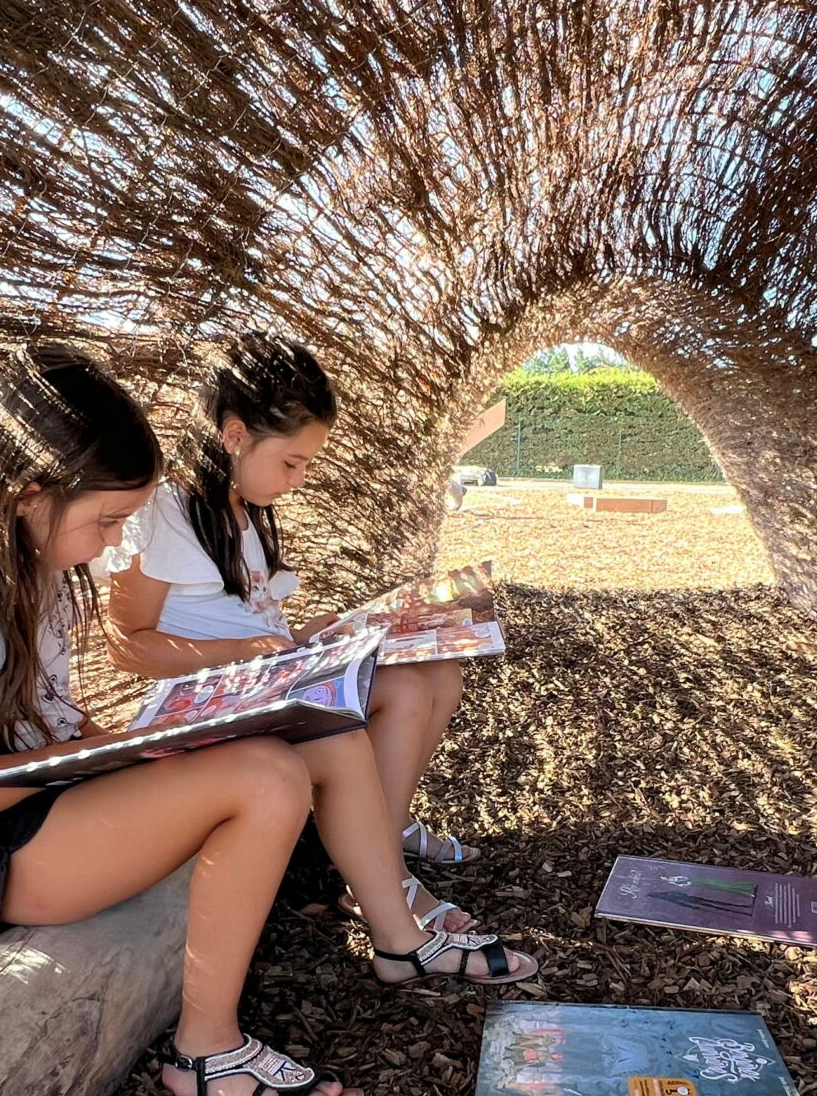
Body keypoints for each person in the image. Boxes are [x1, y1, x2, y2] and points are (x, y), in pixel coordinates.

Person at [0, 345, 362, 1096]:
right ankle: (205, 1054)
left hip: (54, 801)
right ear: (29, 494)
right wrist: (89, 761)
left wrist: (125, 747)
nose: (113, 543)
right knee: (264, 778)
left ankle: (380, 916)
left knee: (276, 754)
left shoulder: (32, 561)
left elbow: (51, 713)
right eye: (107, 521)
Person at [104, 335, 536, 991]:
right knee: (398, 700)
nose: (299, 481)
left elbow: (250, 625)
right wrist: (247, 651)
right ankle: (386, 891)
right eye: (292, 462)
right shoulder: (165, 512)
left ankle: (381, 866)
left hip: (262, 689)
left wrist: (329, 633)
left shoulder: (243, 514)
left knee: (434, 674)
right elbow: (125, 642)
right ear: (236, 435)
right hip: (209, 714)